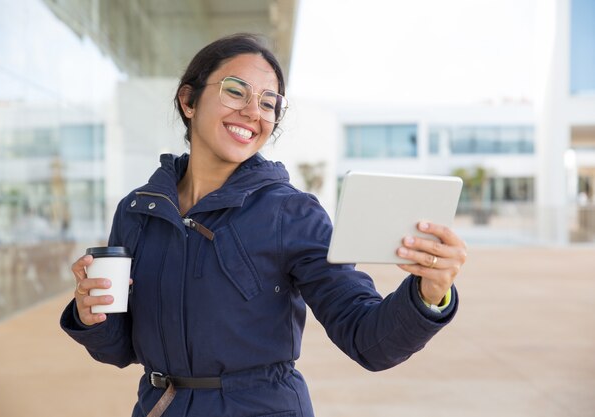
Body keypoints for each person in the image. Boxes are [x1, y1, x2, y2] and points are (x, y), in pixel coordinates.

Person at [61, 33, 467, 417]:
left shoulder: (293, 214)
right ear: (188, 100)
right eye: (235, 91)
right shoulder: (137, 211)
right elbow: (116, 350)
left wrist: (429, 294)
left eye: (269, 102)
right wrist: (90, 313)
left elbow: (368, 339)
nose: (253, 112)